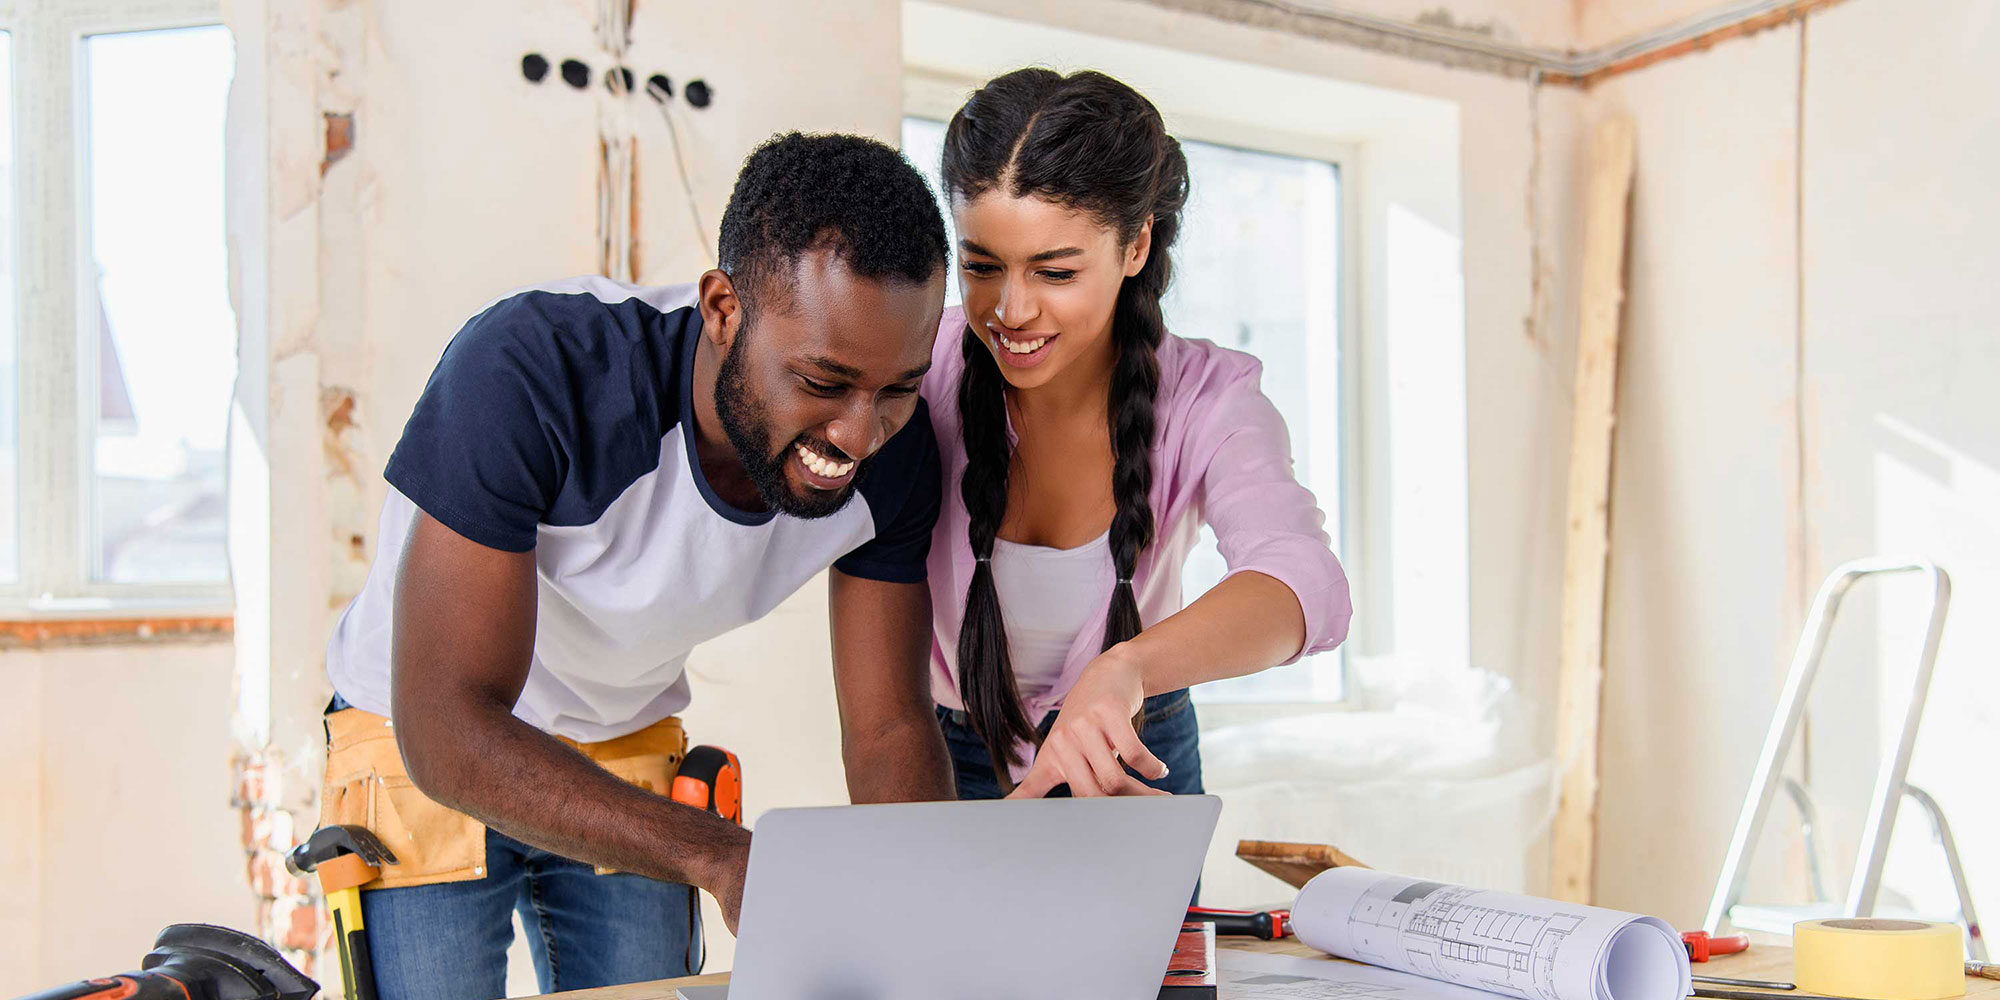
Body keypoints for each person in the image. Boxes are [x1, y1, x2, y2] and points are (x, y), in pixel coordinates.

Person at [315, 132, 956, 1000]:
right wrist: (721, 856)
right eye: (822, 380)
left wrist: (933, 918)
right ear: (724, 309)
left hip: (622, 734)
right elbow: (449, 725)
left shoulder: (898, 453)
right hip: (417, 733)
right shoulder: (532, 372)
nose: (857, 432)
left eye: (898, 386)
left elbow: (888, 727)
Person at [922, 68, 1354, 801]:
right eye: (981, 266)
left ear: (1135, 246)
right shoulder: (919, 367)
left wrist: (1128, 669)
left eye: (1055, 271)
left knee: (1165, 927)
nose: (1010, 309)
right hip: (947, 750)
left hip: (1133, 747)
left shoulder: (1211, 397)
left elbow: (1306, 586)